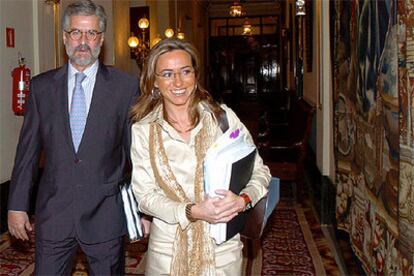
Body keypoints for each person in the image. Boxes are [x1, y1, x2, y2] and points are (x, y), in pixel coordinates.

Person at [7, 0, 149, 274]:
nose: (83, 41)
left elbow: (138, 155)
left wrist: (144, 211)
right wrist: (16, 206)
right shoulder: (41, 88)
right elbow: (26, 154)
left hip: (105, 214)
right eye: (76, 32)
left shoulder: (125, 88)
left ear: (102, 38)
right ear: (64, 37)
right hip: (54, 215)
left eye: (91, 33)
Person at [129, 38, 271, 275]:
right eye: (167, 73)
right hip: (168, 252)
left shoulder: (222, 118)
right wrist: (191, 211)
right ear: (154, 81)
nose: (178, 82)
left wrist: (243, 200)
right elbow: (144, 196)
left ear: (195, 76)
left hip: (221, 248)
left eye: (185, 71)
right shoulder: (144, 130)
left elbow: (260, 171)